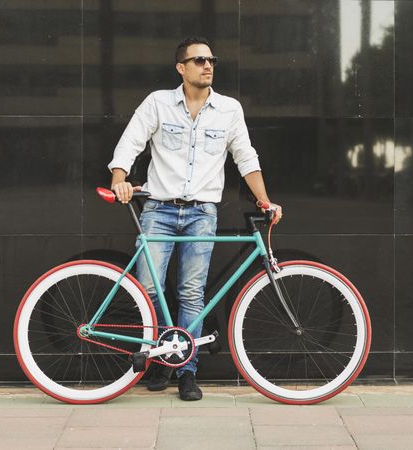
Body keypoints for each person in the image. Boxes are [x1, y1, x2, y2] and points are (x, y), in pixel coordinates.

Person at [107, 37, 283, 401]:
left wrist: (264, 200)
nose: (207, 65)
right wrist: (119, 179)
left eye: (211, 60)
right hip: (158, 208)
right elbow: (131, 142)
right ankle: (161, 354)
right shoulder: (158, 103)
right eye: (199, 60)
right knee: (148, 289)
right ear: (180, 68)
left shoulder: (229, 110)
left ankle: (186, 370)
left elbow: (245, 157)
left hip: (203, 212)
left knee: (191, 293)